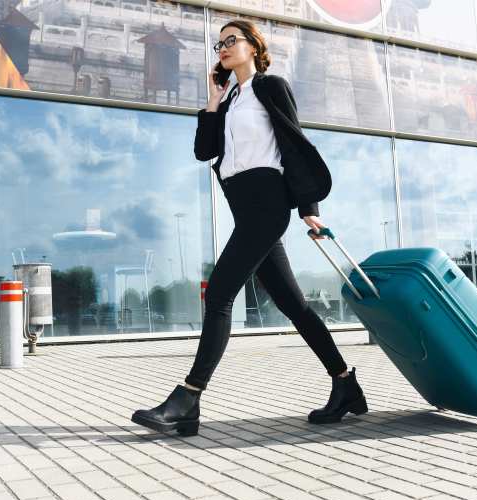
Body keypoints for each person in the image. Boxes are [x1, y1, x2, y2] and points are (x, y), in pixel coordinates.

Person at [131, 20, 367, 436]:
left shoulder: (270, 86)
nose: (222, 47)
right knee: (295, 306)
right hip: (246, 211)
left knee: (219, 294)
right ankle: (346, 385)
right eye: (218, 43)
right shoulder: (228, 101)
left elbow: (295, 141)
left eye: (231, 40)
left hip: (267, 205)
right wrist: (212, 100)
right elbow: (204, 151)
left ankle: (188, 398)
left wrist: (308, 206)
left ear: (254, 47)